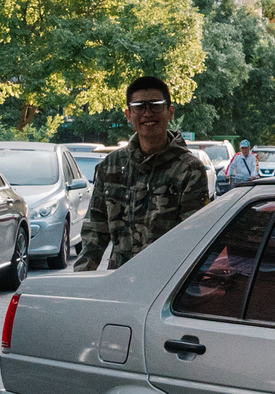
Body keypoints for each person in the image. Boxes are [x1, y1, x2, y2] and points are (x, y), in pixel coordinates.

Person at [73, 75, 211, 270]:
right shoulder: (111, 165)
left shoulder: (189, 170)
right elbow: (95, 232)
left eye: (156, 105)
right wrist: (80, 283)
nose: (148, 113)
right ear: (128, 114)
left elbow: (193, 238)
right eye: (139, 107)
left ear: (170, 112)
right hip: (118, 280)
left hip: (165, 284)